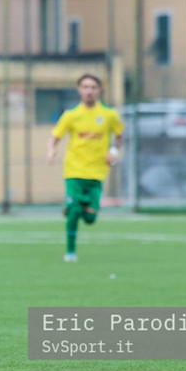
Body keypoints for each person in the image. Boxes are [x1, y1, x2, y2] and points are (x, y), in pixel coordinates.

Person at [47, 73, 124, 262]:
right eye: (85, 87)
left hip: (97, 172)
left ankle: (72, 206)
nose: (89, 91)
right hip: (74, 171)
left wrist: (113, 151)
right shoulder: (71, 115)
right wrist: (51, 150)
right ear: (79, 90)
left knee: (90, 219)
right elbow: (55, 137)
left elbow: (119, 136)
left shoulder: (109, 114)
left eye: (93, 87)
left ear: (99, 90)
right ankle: (70, 252)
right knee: (74, 211)